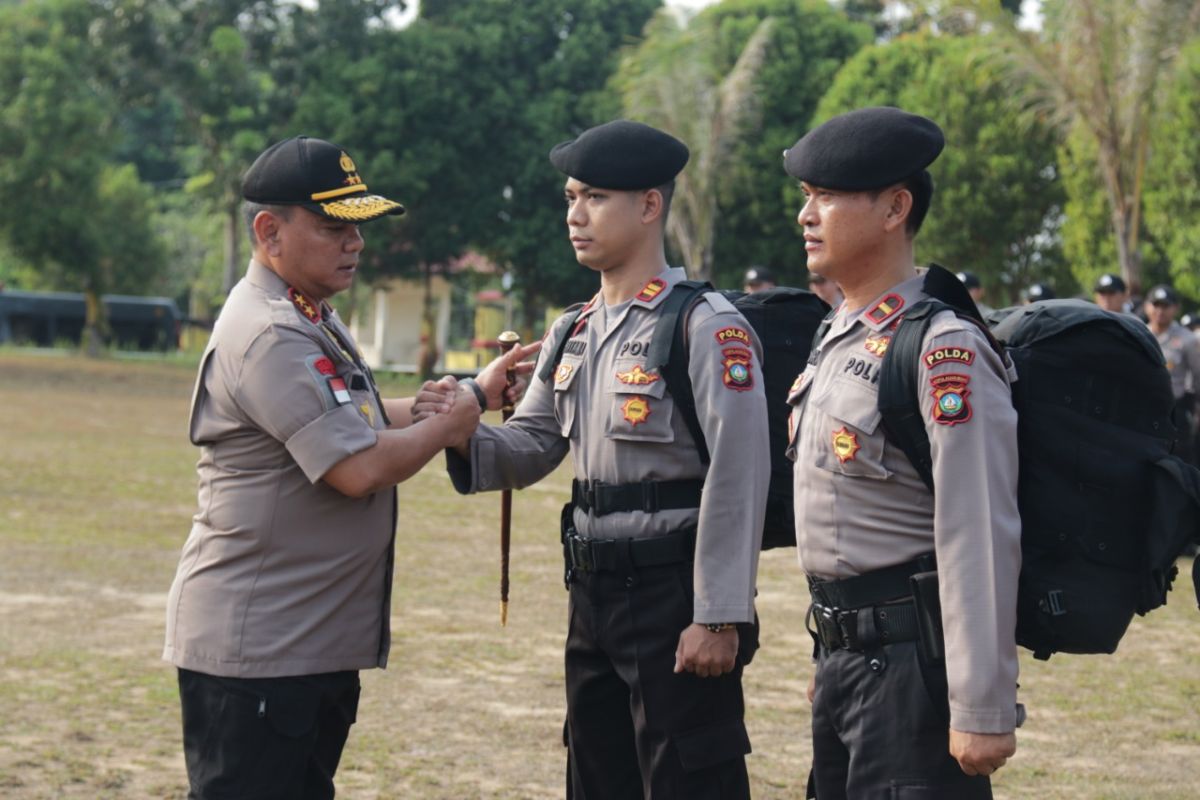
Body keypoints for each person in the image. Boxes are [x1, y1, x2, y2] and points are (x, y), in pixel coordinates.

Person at [163, 135, 535, 800]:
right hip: (262, 651)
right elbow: (358, 468)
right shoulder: (272, 331)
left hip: (302, 644)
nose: (355, 244)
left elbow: (347, 417)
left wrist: (444, 403)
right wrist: (456, 419)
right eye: (335, 227)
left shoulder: (309, 317)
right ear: (269, 231)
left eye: (358, 228)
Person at [429, 119, 770, 799]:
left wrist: (719, 614)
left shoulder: (704, 324)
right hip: (591, 591)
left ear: (649, 205)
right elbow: (531, 444)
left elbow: (740, 475)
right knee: (596, 774)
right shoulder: (575, 328)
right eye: (569, 197)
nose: (574, 216)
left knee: (686, 777)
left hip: (674, 595)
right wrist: (461, 428)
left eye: (593, 198)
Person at [781, 107, 1022, 798]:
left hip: (914, 670)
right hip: (846, 660)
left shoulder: (944, 348)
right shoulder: (838, 334)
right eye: (806, 198)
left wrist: (982, 706)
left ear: (895, 208)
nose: (807, 215)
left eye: (826, 196)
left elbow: (977, 531)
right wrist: (831, 649)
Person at [1144, 284, 1200, 464]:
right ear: (1147, 306)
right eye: (1156, 305)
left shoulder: (1187, 339)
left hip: (1175, 409)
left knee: (1179, 459)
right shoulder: (1139, 333)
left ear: (1175, 308)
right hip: (1144, 406)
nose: (1160, 311)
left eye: (1165, 306)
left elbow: (1198, 374)